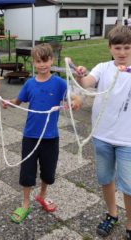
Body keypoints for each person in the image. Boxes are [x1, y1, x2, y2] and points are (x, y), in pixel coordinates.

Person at [2, 43, 82, 223]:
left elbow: (74, 97)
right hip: (30, 136)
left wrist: (76, 102)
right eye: (38, 61)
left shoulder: (60, 83)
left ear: (52, 60)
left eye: (45, 60)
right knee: (27, 172)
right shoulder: (29, 84)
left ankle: (42, 195)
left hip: (50, 137)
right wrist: (9, 102)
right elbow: (18, 100)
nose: (42, 65)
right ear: (33, 63)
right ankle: (25, 203)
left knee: (48, 172)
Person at [75, 25, 131, 240]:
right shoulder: (103, 67)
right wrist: (80, 74)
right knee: (106, 179)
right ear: (110, 48)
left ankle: (130, 224)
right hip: (102, 136)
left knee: (129, 186)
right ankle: (112, 214)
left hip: (128, 140)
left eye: (127, 47)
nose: (122, 52)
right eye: (118, 47)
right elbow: (88, 82)